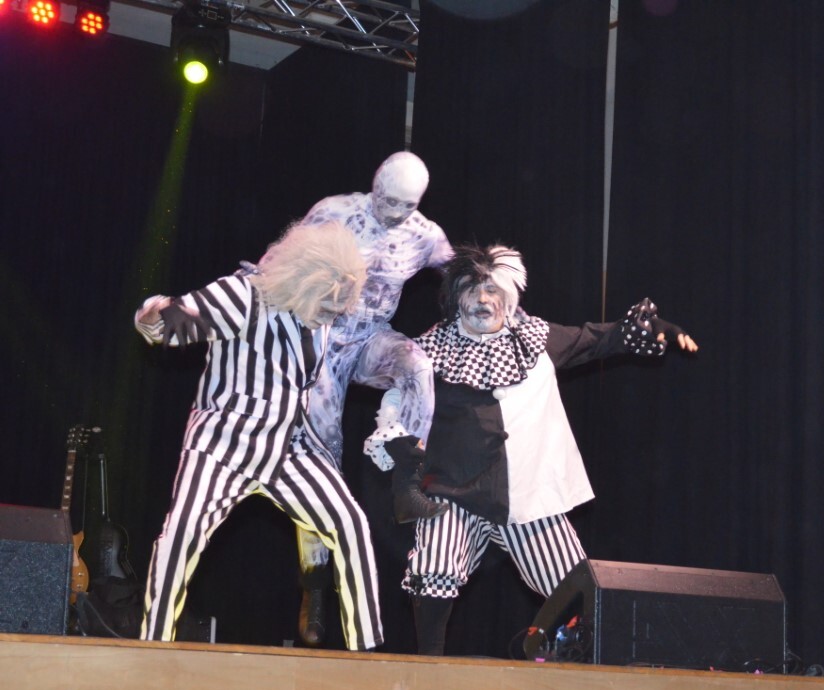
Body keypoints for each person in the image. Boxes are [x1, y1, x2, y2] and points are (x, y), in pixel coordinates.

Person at [388, 243, 699, 656]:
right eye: (471, 291)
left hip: (528, 496)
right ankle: (428, 670)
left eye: (492, 290)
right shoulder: (428, 353)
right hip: (454, 494)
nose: (482, 300)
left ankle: (569, 666)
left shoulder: (537, 340)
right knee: (434, 569)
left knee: (578, 591)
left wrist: (651, 327)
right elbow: (392, 399)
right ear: (454, 299)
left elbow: (598, 339)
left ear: (509, 298)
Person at [134, 221, 384, 652]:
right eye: (329, 305)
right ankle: (153, 648)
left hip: (287, 448)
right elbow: (164, 320)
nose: (335, 315)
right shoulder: (243, 295)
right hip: (223, 445)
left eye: (341, 307)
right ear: (304, 283)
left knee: (350, 525)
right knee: (182, 534)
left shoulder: (318, 315)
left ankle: (369, 655)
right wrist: (158, 312)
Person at [294, 151, 454, 646]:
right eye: (388, 201)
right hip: (323, 338)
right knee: (322, 447)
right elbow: (280, 262)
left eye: (406, 205)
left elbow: (463, 274)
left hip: (369, 340)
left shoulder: (424, 234)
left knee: (417, 367)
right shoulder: (335, 212)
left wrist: (502, 301)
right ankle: (314, 581)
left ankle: (407, 482)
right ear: (374, 187)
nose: (394, 213)